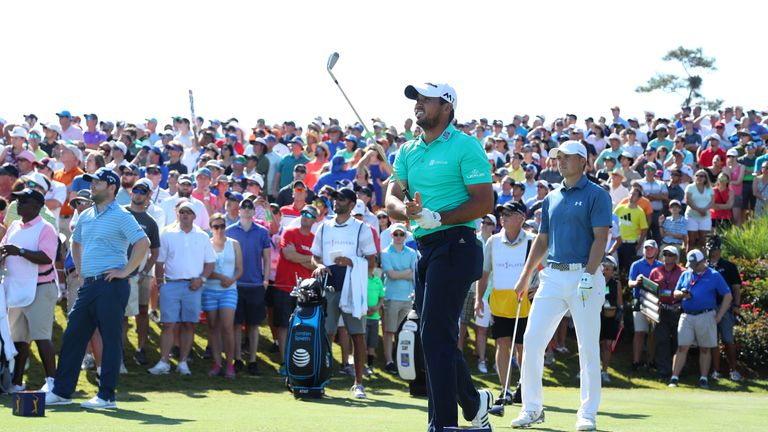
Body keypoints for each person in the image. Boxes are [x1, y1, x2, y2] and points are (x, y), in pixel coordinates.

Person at [385, 83, 495, 431]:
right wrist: (409, 210)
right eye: (416, 98)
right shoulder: (407, 151)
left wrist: (440, 216)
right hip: (427, 250)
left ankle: (443, 424)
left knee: (432, 333)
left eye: (425, 98)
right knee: (435, 335)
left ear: (446, 107)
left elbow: (483, 202)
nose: (418, 103)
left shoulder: (465, 145)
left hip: (458, 244)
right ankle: (475, 403)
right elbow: (391, 199)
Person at [511, 140, 612, 431]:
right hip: (552, 276)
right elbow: (542, 241)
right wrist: (524, 276)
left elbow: (600, 238)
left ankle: (587, 413)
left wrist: (589, 274)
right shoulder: (551, 197)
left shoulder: (597, 195)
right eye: (558, 157)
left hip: (585, 274)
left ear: (583, 162)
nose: (561, 161)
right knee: (531, 340)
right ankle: (532, 408)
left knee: (587, 346)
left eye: (568, 157)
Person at [46, 168, 149, 409]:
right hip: (89, 286)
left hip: (112, 285)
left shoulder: (122, 215)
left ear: (112, 187)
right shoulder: (86, 215)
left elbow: (142, 243)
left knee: (110, 340)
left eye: (98, 182)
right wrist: (82, 272)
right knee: (73, 336)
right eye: (92, 182)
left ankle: (106, 396)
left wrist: (125, 271)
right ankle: (62, 391)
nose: (92, 186)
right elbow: (75, 242)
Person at [311, 187, 376, 398]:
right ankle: (321, 379)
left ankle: (358, 383)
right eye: (334, 198)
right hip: (328, 286)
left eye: (340, 199)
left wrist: (351, 262)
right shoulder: (324, 227)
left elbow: (372, 263)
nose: (335, 202)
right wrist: (319, 266)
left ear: (350, 204)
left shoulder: (361, 228)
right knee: (326, 335)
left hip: (352, 287)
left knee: (357, 335)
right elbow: (315, 256)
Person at [476, 201, 536, 405]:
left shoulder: (531, 241)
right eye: (502, 214)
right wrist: (478, 299)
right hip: (500, 301)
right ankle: (505, 390)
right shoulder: (492, 241)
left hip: (524, 302)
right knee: (502, 343)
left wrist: (538, 288)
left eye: (509, 214)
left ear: (521, 218)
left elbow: (545, 270)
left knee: (522, 346)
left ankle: (523, 385)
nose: (503, 218)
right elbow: (484, 274)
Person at [148, 201, 215, 376]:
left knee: (189, 325)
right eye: (182, 212)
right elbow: (160, 262)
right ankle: (163, 361)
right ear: (178, 214)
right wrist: (162, 284)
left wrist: (201, 279)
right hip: (171, 284)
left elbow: (210, 262)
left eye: (189, 212)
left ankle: (183, 362)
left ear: (194, 216)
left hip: (193, 286)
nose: (185, 215)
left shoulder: (202, 236)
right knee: (168, 324)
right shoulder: (167, 234)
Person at [2, 189, 58, 393]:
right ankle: (16, 383)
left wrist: (21, 252)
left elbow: (47, 258)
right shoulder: (15, 225)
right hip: (17, 288)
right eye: (18, 200)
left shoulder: (46, 228)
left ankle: (53, 383)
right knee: (19, 340)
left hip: (41, 288)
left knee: (42, 337)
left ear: (36, 206)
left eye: (24, 201)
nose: (18, 204)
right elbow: (5, 247)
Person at [669, 249, 732, 389]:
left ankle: (703, 378)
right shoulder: (686, 274)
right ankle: (674, 378)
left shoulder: (714, 275)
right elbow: (675, 292)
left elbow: (728, 295)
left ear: (703, 261)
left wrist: (719, 315)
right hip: (687, 315)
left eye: (695, 264)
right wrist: (681, 295)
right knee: (682, 347)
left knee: (704, 348)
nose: (692, 267)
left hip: (706, 315)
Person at [272, 205, 318, 375]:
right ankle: (284, 362)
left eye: (310, 215)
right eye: (303, 213)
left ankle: (299, 362)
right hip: (284, 286)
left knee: (302, 328)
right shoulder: (290, 233)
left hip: (305, 290)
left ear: (314, 220)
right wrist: (308, 259)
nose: (305, 216)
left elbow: (316, 263)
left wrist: (301, 257)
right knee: (283, 326)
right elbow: (288, 255)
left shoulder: (315, 239)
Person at [123, 178, 161, 368]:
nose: (138, 194)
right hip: (121, 273)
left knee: (143, 311)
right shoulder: (120, 213)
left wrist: (146, 271)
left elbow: (155, 251)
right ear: (131, 193)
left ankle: (141, 349)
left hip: (141, 275)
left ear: (148, 196)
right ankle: (119, 350)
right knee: (120, 314)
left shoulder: (150, 222)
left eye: (142, 191)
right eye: (136, 190)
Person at [202, 213, 243, 379]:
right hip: (210, 289)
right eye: (216, 226)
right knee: (213, 327)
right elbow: (204, 269)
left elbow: (240, 268)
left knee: (227, 326)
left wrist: (231, 279)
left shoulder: (234, 244)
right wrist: (220, 277)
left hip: (229, 290)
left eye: (222, 226)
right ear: (211, 228)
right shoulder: (207, 245)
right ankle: (217, 363)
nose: (219, 230)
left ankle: (230, 364)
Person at [380, 223, 417, 374]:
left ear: (405, 236)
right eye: (396, 234)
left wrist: (402, 273)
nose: (399, 237)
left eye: (401, 234)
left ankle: (401, 360)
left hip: (407, 298)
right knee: (389, 331)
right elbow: (391, 275)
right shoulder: (385, 253)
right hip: (391, 296)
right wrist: (407, 272)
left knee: (403, 332)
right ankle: (389, 361)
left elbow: (413, 274)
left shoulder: (411, 253)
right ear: (391, 236)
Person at [705, 236, 743, 382]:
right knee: (713, 340)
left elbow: (736, 289)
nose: (711, 251)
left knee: (728, 340)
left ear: (720, 249)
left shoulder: (729, 266)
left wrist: (737, 306)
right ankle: (716, 371)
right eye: (709, 248)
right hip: (708, 307)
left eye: (714, 248)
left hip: (725, 307)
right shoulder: (704, 266)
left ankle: (734, 370)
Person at [648, 245, 684, 378]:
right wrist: (653, 303)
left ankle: (678, 370)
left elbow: (687, 291)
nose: (666, 257)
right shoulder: (655, 271)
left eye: (670, 255)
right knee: (661, 340)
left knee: (678, 341)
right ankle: (664, 370)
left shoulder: (683, 271)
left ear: (675, 257)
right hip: (661, 309)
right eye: (665, 254)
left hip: (677, 309)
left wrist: (681, 304)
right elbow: (649, 290)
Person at [627, 240, 662, 371]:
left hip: (654, 302)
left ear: (656, 251)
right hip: (639, 300)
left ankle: (650, 361)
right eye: (646, 249)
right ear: (643, 250)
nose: (649, 251)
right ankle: (636, 362)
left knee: (652, 333)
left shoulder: (660, 266)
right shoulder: (636, 265)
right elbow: (630, 282)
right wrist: (636, 282)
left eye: (651, 249)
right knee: (639, 333)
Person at [598, 257, 623, 383]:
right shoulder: (596, 280)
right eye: (604, 265)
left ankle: (604, 371)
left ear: (613, 269)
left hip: (611, 317)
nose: (606, 268)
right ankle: (588, 371)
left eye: (609, 266)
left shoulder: (616, 283)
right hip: (597, 316)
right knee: (594, 344)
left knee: (607, 345)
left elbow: (619, 301)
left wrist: (621, 318)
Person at [685, 170, 714, 251]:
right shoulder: (690, 187)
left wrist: (705, 209)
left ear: (705, 178)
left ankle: (704, 261)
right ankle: (689, 261)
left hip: (705, 216)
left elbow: (712, 201)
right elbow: (688, 200)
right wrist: (699, 210)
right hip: (692, 216)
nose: (699, 178)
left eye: (702, 176)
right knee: (691, 241)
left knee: (704, 241)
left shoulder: (709, 188)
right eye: (697, 175)